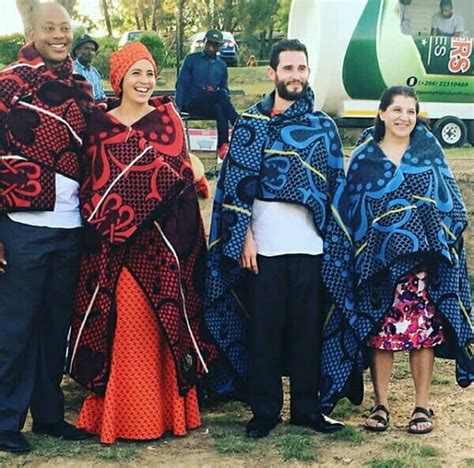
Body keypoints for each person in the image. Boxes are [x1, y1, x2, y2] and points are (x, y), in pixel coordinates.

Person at [67, 42, 218, 445]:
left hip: (166, 243)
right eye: (136, 73)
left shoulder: (168, 119)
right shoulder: (100, 126)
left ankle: (172, 412)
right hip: (119, 248)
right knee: (129, 326)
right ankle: (129, 416)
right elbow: (92, 183)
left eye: (150, 73)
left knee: (163, 323)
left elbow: (183, 174)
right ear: (118, 79)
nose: (145, 81)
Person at [204, 39, 352, 438]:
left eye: (301, 69)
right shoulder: (251, 124)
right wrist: (244, 237)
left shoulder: (324, 127)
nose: (295, 76)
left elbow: (335, 190)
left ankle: (307, 408)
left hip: (311, 248)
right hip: (263, 248)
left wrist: (335, 244)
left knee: (308, 333)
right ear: (272, 73)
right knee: (264, 333)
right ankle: (264, 410)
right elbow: (234, 189)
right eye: (288, 69)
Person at [329, 86, 473, 434]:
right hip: (378, 265)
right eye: (396, 110)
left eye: (410, 111)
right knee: (382, 333)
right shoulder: (364, 157)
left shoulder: (429, 151)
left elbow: (450, 202)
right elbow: (351, 210)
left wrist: (440, 240)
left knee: (422, 333)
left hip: (424, 263)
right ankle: (382, 406)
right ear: (381, 114)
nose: (403, 117)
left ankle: (421, 406)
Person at [0, 2, 93, 453]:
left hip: (70, 222)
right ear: (32, 31)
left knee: (56, 326)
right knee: (15, 327)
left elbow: (98, 147)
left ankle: (49, 416)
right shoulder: (9, 83)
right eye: (49, 28)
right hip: (22, 223)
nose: (59, 35)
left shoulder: (81, 87)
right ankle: (4, 421)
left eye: (65, 27)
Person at [175, 29, 239, 162]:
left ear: (219, 46)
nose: (211, 47)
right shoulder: (191, 59)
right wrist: (178, 107)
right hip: (192, 102)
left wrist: (216, 93)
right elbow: (181, 84)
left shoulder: (221, 65)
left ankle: (223, 146)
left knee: (220, 106)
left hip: (211, 103)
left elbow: (224, 87)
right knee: (221, 95)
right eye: (209, 43)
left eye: (215, 45)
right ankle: (238, 123)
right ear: (204, 42)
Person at [72, 34, 106, 102]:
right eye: (86, 48)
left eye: (93, 50)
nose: (90, 52)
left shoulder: (94, 72)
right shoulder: (71, 69)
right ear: (77, 51)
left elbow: (101, 95)